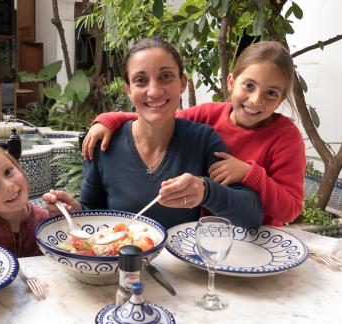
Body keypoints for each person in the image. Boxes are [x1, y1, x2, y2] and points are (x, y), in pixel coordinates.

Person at [43, 38, 262, 229]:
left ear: (182, 83)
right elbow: (93, 211)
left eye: (166, 76)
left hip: (181, 272)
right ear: (128, 90)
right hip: (121, 268)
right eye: (140, 80)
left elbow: (251, 216)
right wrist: (73, 211)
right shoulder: (104, 143)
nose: (155, 91)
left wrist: (206, 192)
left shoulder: (203, 140)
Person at [83, 41, 305, 228]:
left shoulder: (285, 137)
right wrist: (110, 119)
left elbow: (290, 209)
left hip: (260, 239)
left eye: (271, 93)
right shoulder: (208, 114)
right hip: (209, 235)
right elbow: (157, 113)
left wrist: (249, 173)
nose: (256, 100)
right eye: (249, 85)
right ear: (231, 82)